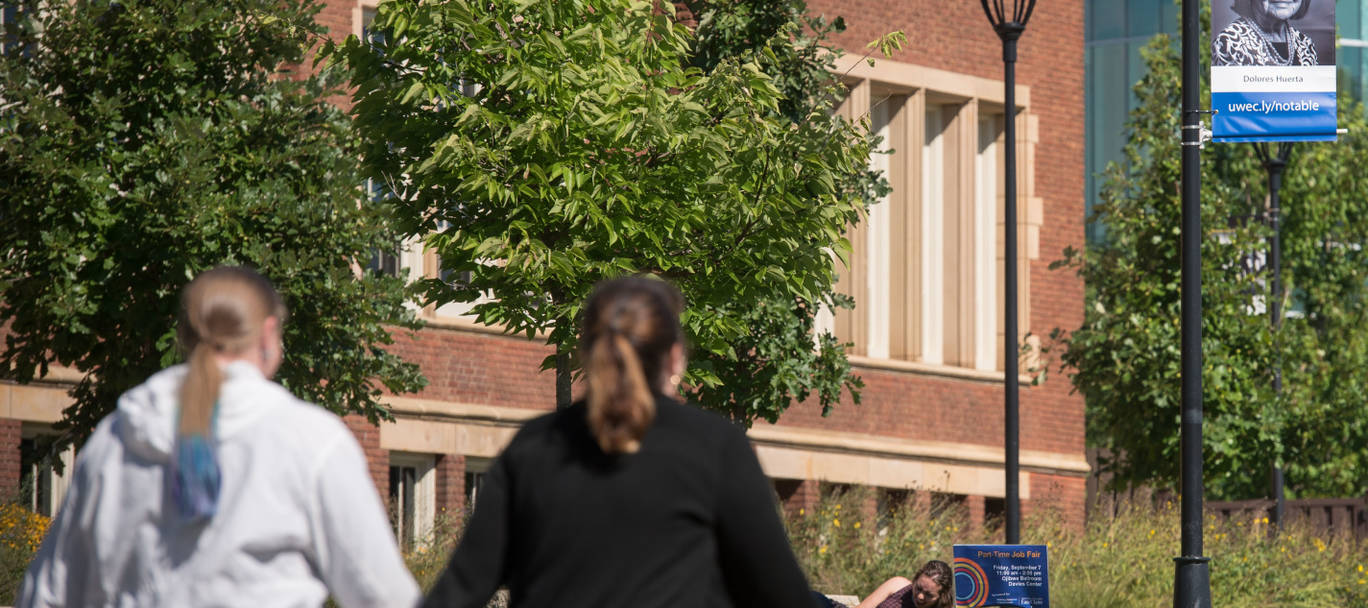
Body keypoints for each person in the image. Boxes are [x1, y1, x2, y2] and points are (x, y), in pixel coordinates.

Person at [16, 265, 417, 608]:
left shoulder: (115, 440)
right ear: (268, 334)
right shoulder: (309, 442)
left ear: (185, 336)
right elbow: (382, 594)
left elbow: (48, 592)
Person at [419, 275, 818, 608]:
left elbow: (459, 593)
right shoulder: (715, 448)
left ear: (586, 354)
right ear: (676, 358)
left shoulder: (534, 447)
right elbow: (780, 595)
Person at [852, 560, 954, 608]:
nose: (920, 596)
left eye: (929, 595)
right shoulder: (898, 584)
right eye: (918, 588)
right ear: (916, 579)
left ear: (942, 596)